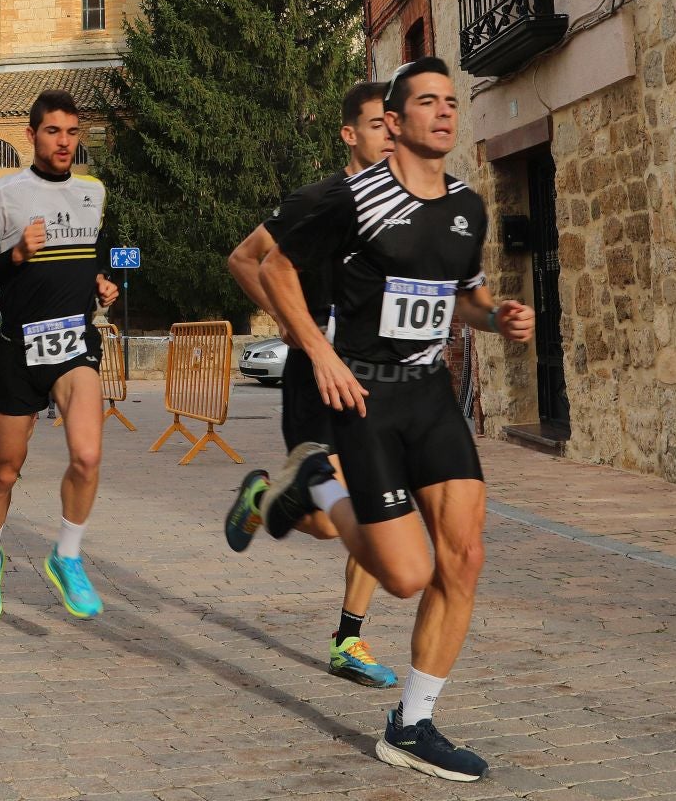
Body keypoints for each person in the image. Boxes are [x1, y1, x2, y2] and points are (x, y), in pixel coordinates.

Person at [225, 57, 534, 784]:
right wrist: (319, 349)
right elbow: (272, 269)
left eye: (451, 100)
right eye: (427, 101)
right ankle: (315, 488)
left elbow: (462, 295)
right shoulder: (351, 198)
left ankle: (413, 722)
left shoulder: (469, 206)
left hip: (428, 393)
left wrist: (497, 315)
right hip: (363, 394)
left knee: (464, 558)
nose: (446, 111)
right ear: (392, 123)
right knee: (406, 573)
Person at [225, 79, 399, 689]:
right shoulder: (320, 201)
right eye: (379, 124)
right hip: (315, 378)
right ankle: (264, 498)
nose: (390, 135)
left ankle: (349, 640)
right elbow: (245, 259)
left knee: (379, 510)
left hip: (376, 378)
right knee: (329, 522)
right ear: (350, 134)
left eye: (394, 125)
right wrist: (292, 328)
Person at [0, 89, 119, 626]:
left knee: (88, 457)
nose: (65, 142)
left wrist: (102, 285)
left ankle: (67, 554)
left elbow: (91, 258)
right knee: (4, 472)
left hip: (74, 344)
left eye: (72, 132)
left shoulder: (93, 192)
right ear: (31, 136)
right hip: (15, 349)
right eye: (53, 131)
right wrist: (17, 254)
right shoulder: (4, 195)